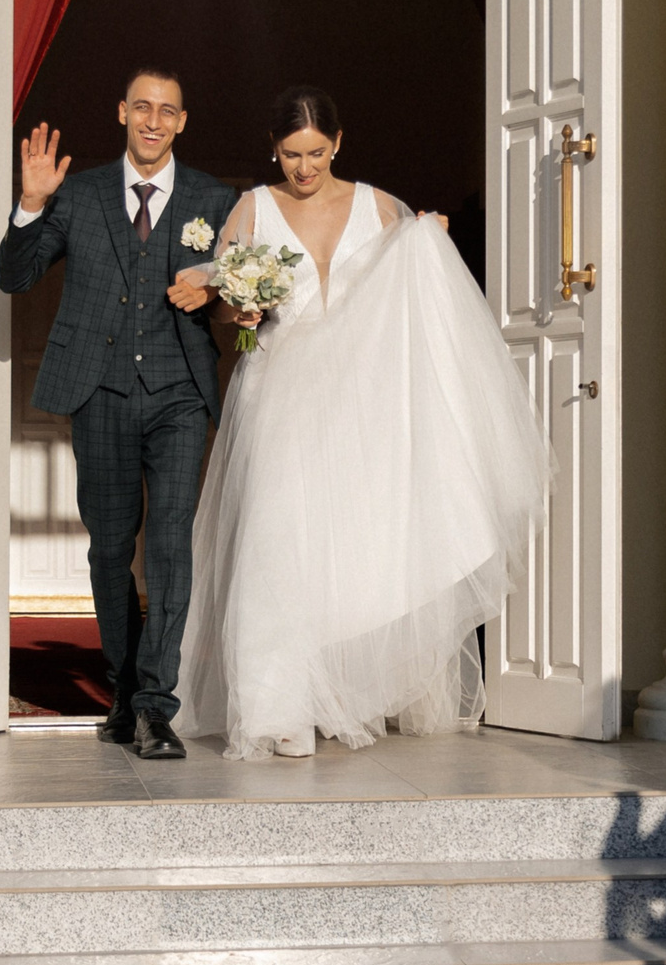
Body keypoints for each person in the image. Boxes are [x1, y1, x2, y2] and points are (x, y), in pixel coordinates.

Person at [172, 86, 545, 760]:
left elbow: (415, 296)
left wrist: (429, 244)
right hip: (279, 388)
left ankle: (345, 684)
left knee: (356, 539)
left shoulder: (381, 207)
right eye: (291, 154)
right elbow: (222, 308)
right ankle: (275, 703)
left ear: (338, 143)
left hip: (359, 397)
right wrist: (242, 310)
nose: (305, 167)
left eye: (316, 152)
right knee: (276, 537)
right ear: (273, 149)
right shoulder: (253, 208)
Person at [0, 67, 240, 760]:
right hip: (97, 389)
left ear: (183, 121)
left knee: (168, 543)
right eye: (142, 108)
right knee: (109, 547)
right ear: (122, 112)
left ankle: (157, 707)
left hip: (179, 393)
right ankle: (124, 690)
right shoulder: (77, 193)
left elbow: (238, 292)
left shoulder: (213, 200)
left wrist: (223, 289)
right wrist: (30, 204)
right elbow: (15, 277)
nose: (154, 121)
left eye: (167, 110)